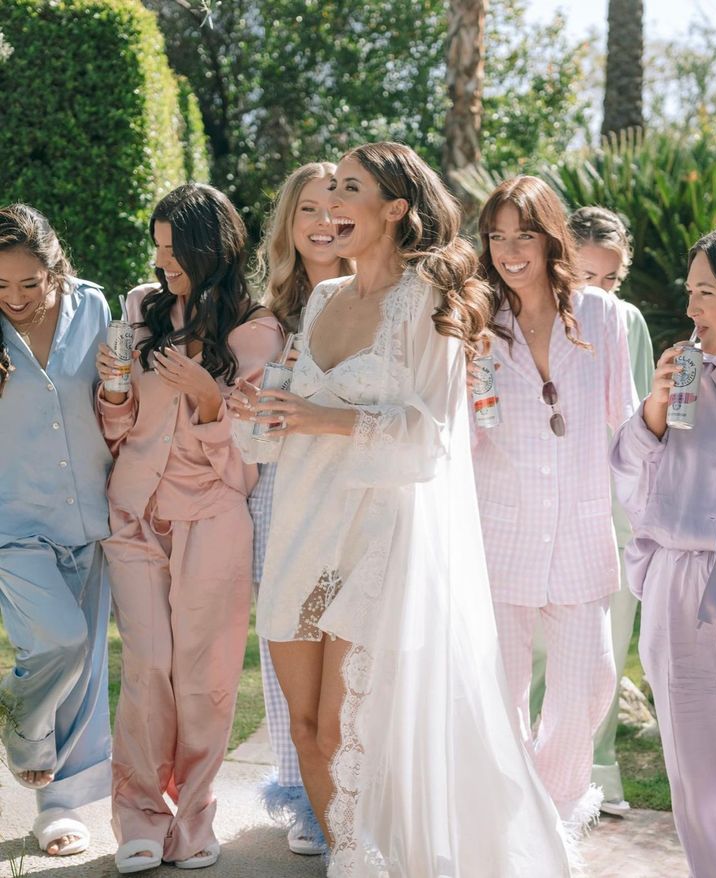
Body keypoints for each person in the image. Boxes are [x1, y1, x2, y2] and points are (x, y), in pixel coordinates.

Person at [230, 143, 572, 877]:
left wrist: (318, 417)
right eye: (325, 195)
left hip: (377, 539)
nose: (329, 208)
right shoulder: (321, 299)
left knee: (349, 735)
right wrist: (254, 411)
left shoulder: (427, 301)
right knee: (305, 727)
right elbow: (270, 438)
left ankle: (383, 862)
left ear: (393, 208)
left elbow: (432, 438)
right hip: (301, 527)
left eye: (348, 191)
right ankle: (352, 860)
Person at [95, 183, 282, 874]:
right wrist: (114, 394)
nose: (160, 259)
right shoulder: (141, 310)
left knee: (204, 678)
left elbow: (251, 459)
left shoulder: (256, 331)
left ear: (211, 250)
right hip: (137, 515)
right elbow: (119, 430)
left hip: (213, 519)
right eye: (157, 245)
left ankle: (195, 821)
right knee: (146, 669)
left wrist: (209, 404)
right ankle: (140, 817)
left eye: (173, 249)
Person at [472, 176, 638, 833]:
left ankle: (553, 808)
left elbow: (622, 421)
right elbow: (460, 429)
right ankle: (513, 824)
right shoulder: (476, 319)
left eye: (524, 235)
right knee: (500, 697)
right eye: (496, 237)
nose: (510, 250)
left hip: (578, 538)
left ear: (550, 239)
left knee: (588, 687)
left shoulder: (597, 314)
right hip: (497, 534)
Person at [611, 223, 716, 878]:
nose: (689, 309)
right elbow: (629, 476)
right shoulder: (686, 371)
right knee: (693, 781)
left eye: (704, 293)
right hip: (679, 587)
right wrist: (653, 410)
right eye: (689, 292)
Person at [529, 206, 654, 816]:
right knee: (531, 651)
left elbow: (635, 418)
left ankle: (595, 771)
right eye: (583, 274)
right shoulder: (527, 311)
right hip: (537, 505)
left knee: (600, 651)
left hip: (610, 509)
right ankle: (524, 770)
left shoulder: (623, 321)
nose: (593, 290)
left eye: (607, 279)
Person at [0, 204, 112, 857]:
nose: (14, 298)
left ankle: (60, 809)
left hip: (88, 513)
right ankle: (22, 727)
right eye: (0, 287)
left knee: (85, 668)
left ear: (55, 268)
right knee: (60, 642)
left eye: (28, 283)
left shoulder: (94, 310)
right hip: (12, 521)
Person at [248, 161, 351, 855]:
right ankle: (304, 799)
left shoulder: (380, 299)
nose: (322, 222)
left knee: (349, 648)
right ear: (288, 222)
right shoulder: (263, 315)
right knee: (287, 639)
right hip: (278, 491)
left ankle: (357, 792)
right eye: (307, 209)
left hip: (354, 493)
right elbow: (249, 428)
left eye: (335, 209)